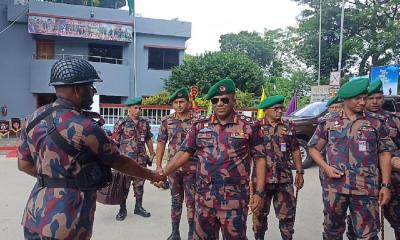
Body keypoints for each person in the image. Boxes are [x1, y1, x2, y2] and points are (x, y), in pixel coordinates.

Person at [17, 58, 165, 240]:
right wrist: (153, 176)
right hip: (68, 222)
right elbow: (120, 162)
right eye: (91, 86)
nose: (94, 91)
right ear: (78, 89)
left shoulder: (33, 118)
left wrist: (54, 178)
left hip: (34, 217)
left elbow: (23, 164)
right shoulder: (86, 127)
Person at [157, 78, 268, 239]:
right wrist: (162, 173)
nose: (220, 103)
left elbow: (260, 159)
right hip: (204, 201)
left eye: (225, 99)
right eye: (215, 100)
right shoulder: (200, 126)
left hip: (234, 203)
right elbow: (183, 153)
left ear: (233, 98)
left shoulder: (249, 126)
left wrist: (259, 192)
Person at [308, 78, 395, 240]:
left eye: (364, 98)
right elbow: (313, 148)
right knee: (332, 231)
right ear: (346, 99)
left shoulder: (376, 122)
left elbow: (385, 153)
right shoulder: (329, 122)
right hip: (335, 188)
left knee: (368, 234)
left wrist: (385, 185)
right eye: (358, 99)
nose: (362, 102)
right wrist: (325, 167)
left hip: (366, 187)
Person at [346, 79, 400, 239]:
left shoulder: (394, 119)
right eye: (371, 98)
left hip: (391, 181)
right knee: (361, 225)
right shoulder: (351, 120)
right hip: (362, 182)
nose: (375, 101)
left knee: (397, 220)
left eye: (379, 97)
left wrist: (395, 160)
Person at [252, 95, 304, 240]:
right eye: (276, 109)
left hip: (284, 179)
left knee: (287, 217)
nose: (280, 111)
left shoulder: (288, 126)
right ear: (266, 110)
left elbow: (295, 149)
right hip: (262, 182)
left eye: (281, 108)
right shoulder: (255, 127)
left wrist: (300, 171)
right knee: (259, 216)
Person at [156, 87, 197, 240]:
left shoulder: (197, 120)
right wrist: (159, 166)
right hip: (173, 169)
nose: (179, 105)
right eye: (176, 102)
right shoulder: (167, 121)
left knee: (192, 202)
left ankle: (192, 233)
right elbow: (161, 142)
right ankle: (175, 233)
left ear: (188, 103)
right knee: (176, 201)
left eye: (182, 102)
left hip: (193, 168)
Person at [112, 97, 156, 220]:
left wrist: (152, 153)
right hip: (125, 161)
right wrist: (114, 158)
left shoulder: (144, 122)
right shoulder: (121, 123)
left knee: (140, 184)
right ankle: (122, 209)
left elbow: (148, 138)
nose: (138, 110)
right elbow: (114, 141)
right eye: (135, 108)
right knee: (123, 185)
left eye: (139, 108)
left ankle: (138, 207)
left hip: (141, 159)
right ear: (129, 108)